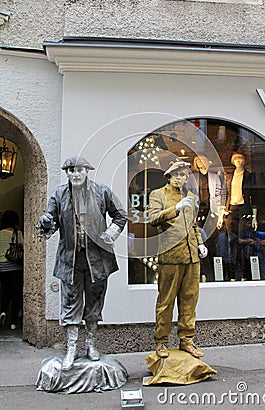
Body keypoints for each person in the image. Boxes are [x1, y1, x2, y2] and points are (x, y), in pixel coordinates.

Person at [37, 156, 127, 370]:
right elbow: (51, 220)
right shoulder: (59, 194)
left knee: (94, 303)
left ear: (87, 171)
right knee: (70, 303)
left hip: (97, 260)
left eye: (79, 170)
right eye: (70, 170)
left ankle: (90, 345)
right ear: (67, 173)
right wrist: (46, 221)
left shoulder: (101, 192)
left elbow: (120, 216)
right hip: (70, 261)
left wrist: (110, 234)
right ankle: (70, 349)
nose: (75, 174)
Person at [148, 160, 208, 359]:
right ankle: (161, 341)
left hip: (192, 256)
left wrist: (200, 243)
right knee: (166, 301)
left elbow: (192, 225)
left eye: (184, 175)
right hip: (171, 255)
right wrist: (175, 209)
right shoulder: (158, 195)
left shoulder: (190, 197)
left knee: (190, 300)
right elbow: (152, 218)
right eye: (177, 174)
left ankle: (187, 340)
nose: (180, 178)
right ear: (169, 175)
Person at [0, 210, 23, 330]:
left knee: (5, 292)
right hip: (15, 267)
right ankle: (14, 322)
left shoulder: (0, 234)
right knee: (16, 295)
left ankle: (2, 311)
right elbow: (23, 246)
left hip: (2, 267)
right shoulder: (17, 233)